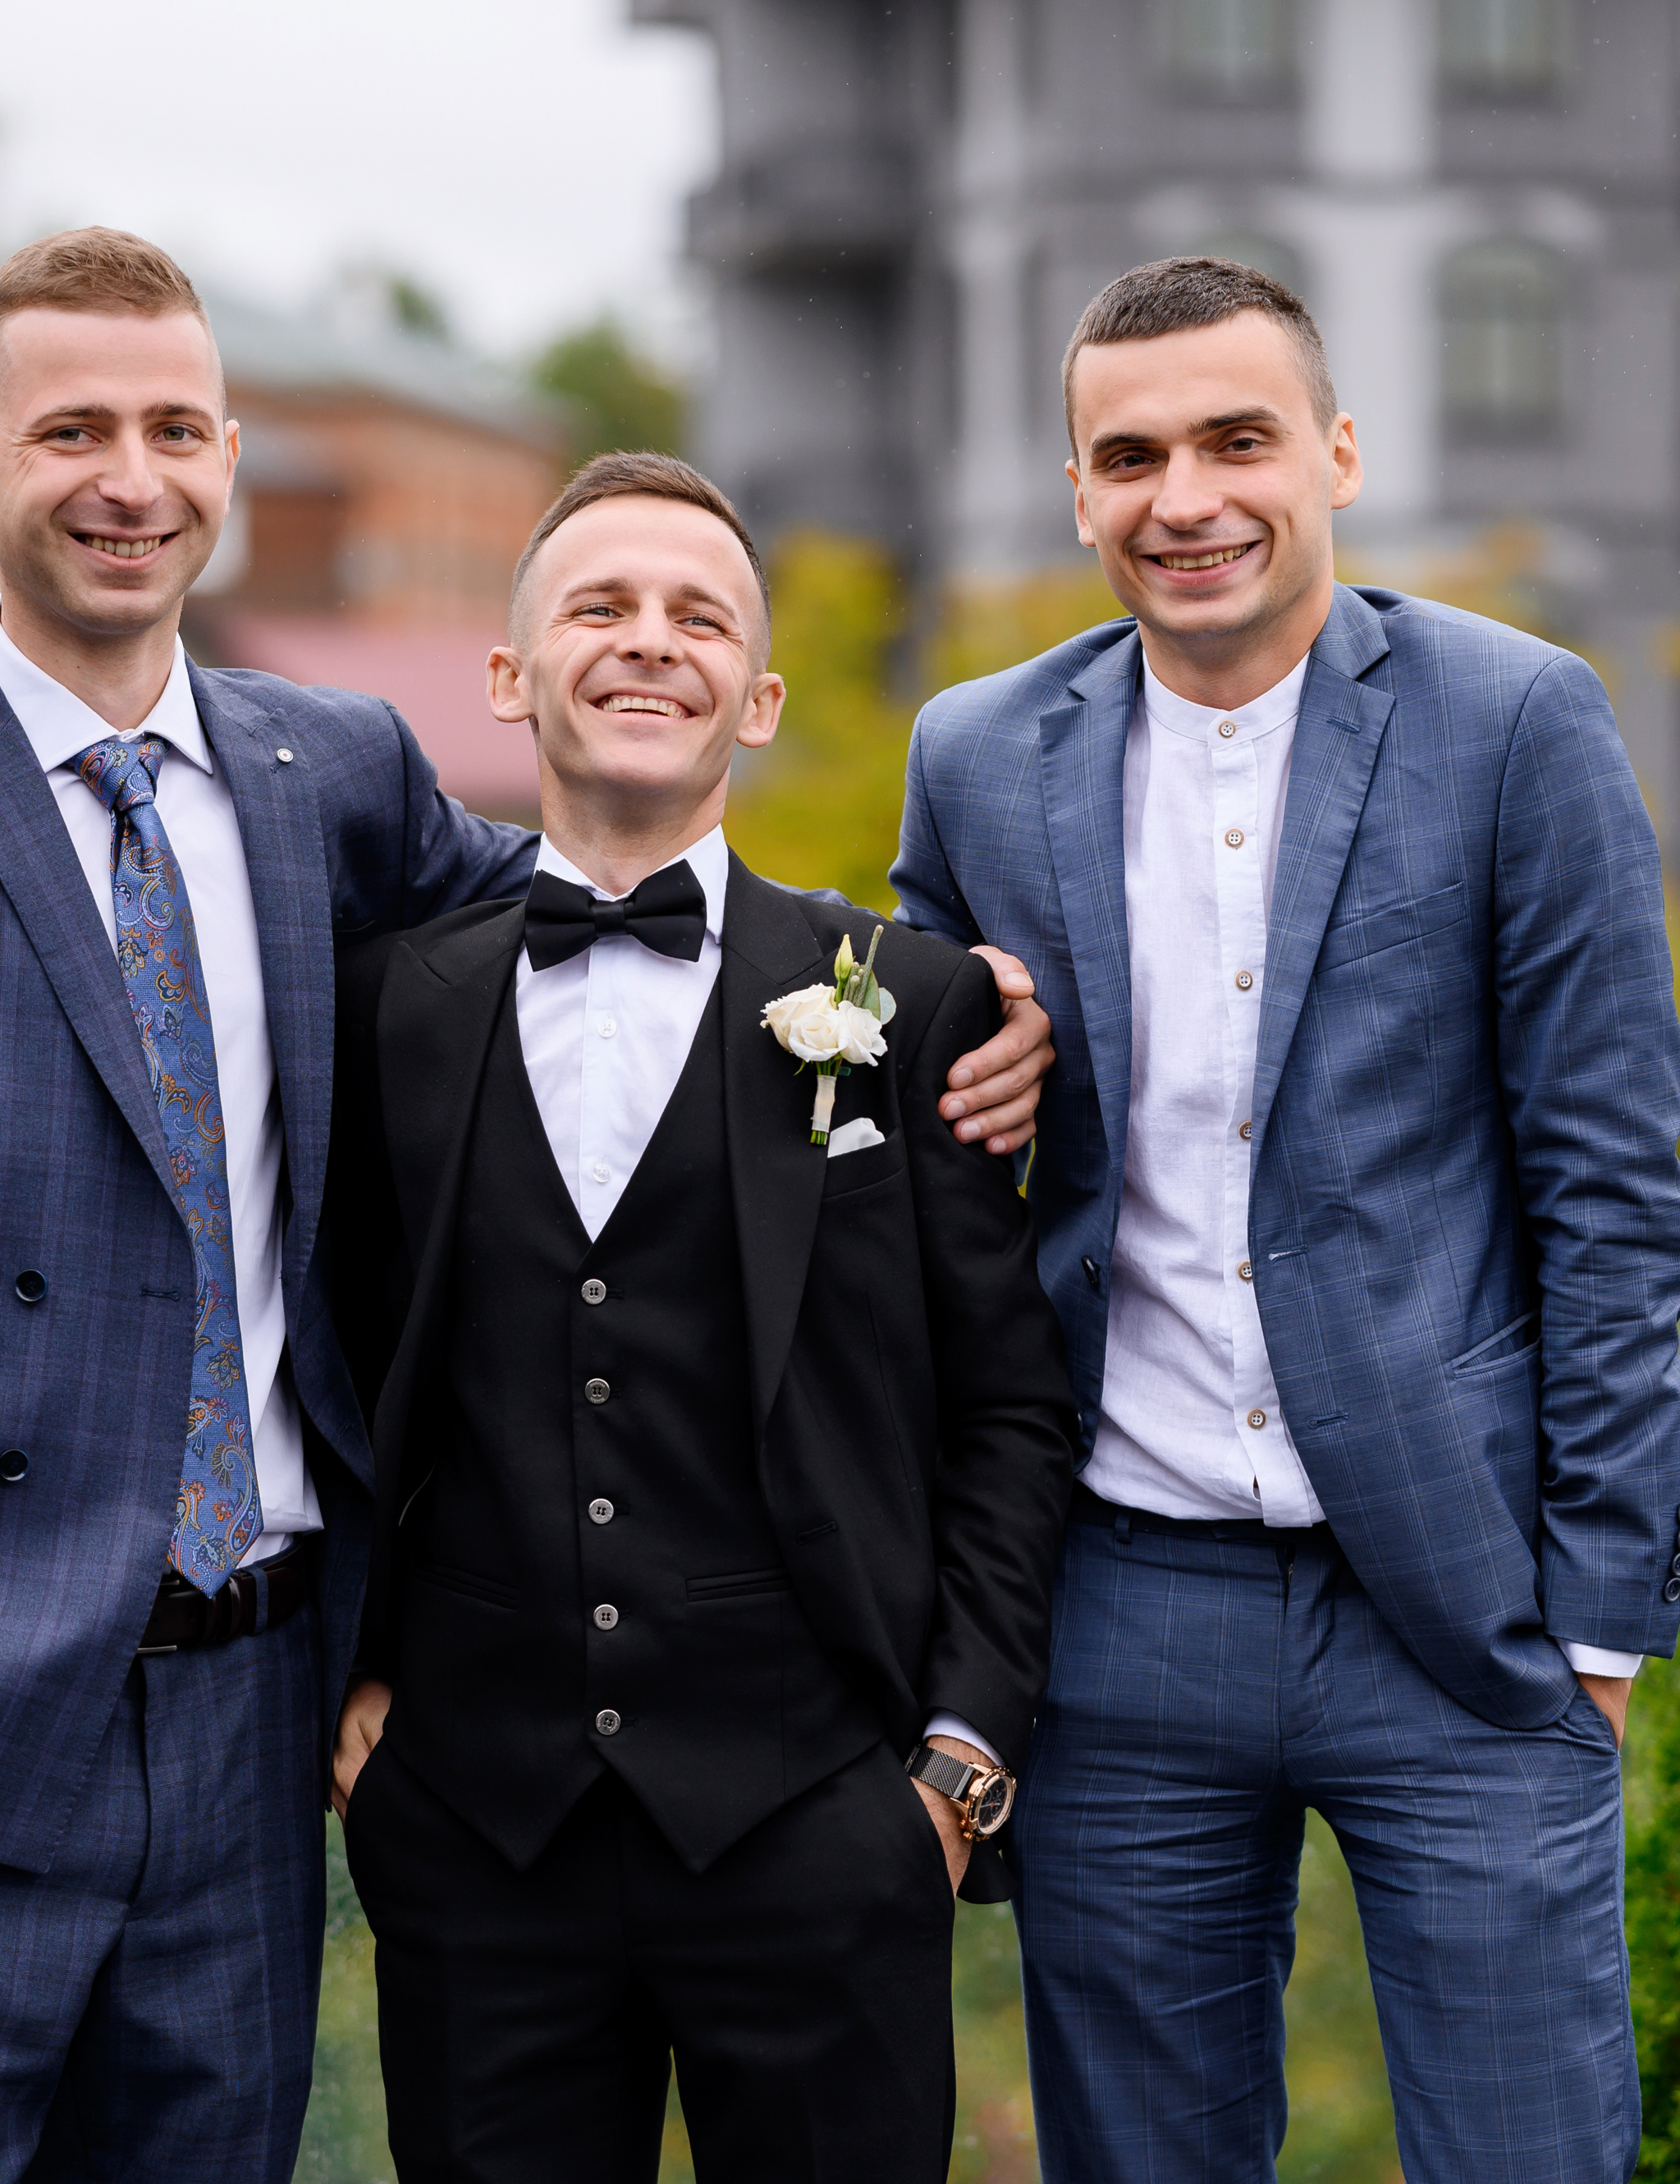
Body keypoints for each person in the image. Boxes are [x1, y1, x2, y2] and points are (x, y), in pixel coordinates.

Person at [0, 230, 1054, 2181]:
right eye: (72, 430)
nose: (131, 474)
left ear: (228, 457)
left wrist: (934, 1002)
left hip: (256, 1740)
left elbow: (625, 886)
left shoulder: (336, 775)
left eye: (175, 427)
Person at [888, 256, 1680, 2183]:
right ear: (1077, 492)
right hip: (1121, 1602)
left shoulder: (1518, 720)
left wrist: (1594, 1607)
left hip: (1463, 1602)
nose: (1186, 497)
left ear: (1333, 451)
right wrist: (974, 1068)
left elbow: (1607, 1183)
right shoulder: (973, 753)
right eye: (1130, 455)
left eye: (1235, 439)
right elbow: (918, 1173)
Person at [322, 451, 1080, 2183]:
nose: (646, 642)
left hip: (824, 1823)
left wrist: (954, 1765)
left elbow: (1008, 1409)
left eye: (696, 616)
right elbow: (333, 1363)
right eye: (597, 605)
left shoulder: (906, 1001)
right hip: (476, 1833)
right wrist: (346, 1684)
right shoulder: (386, 1007)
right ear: (509, 677)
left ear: (759, 693)